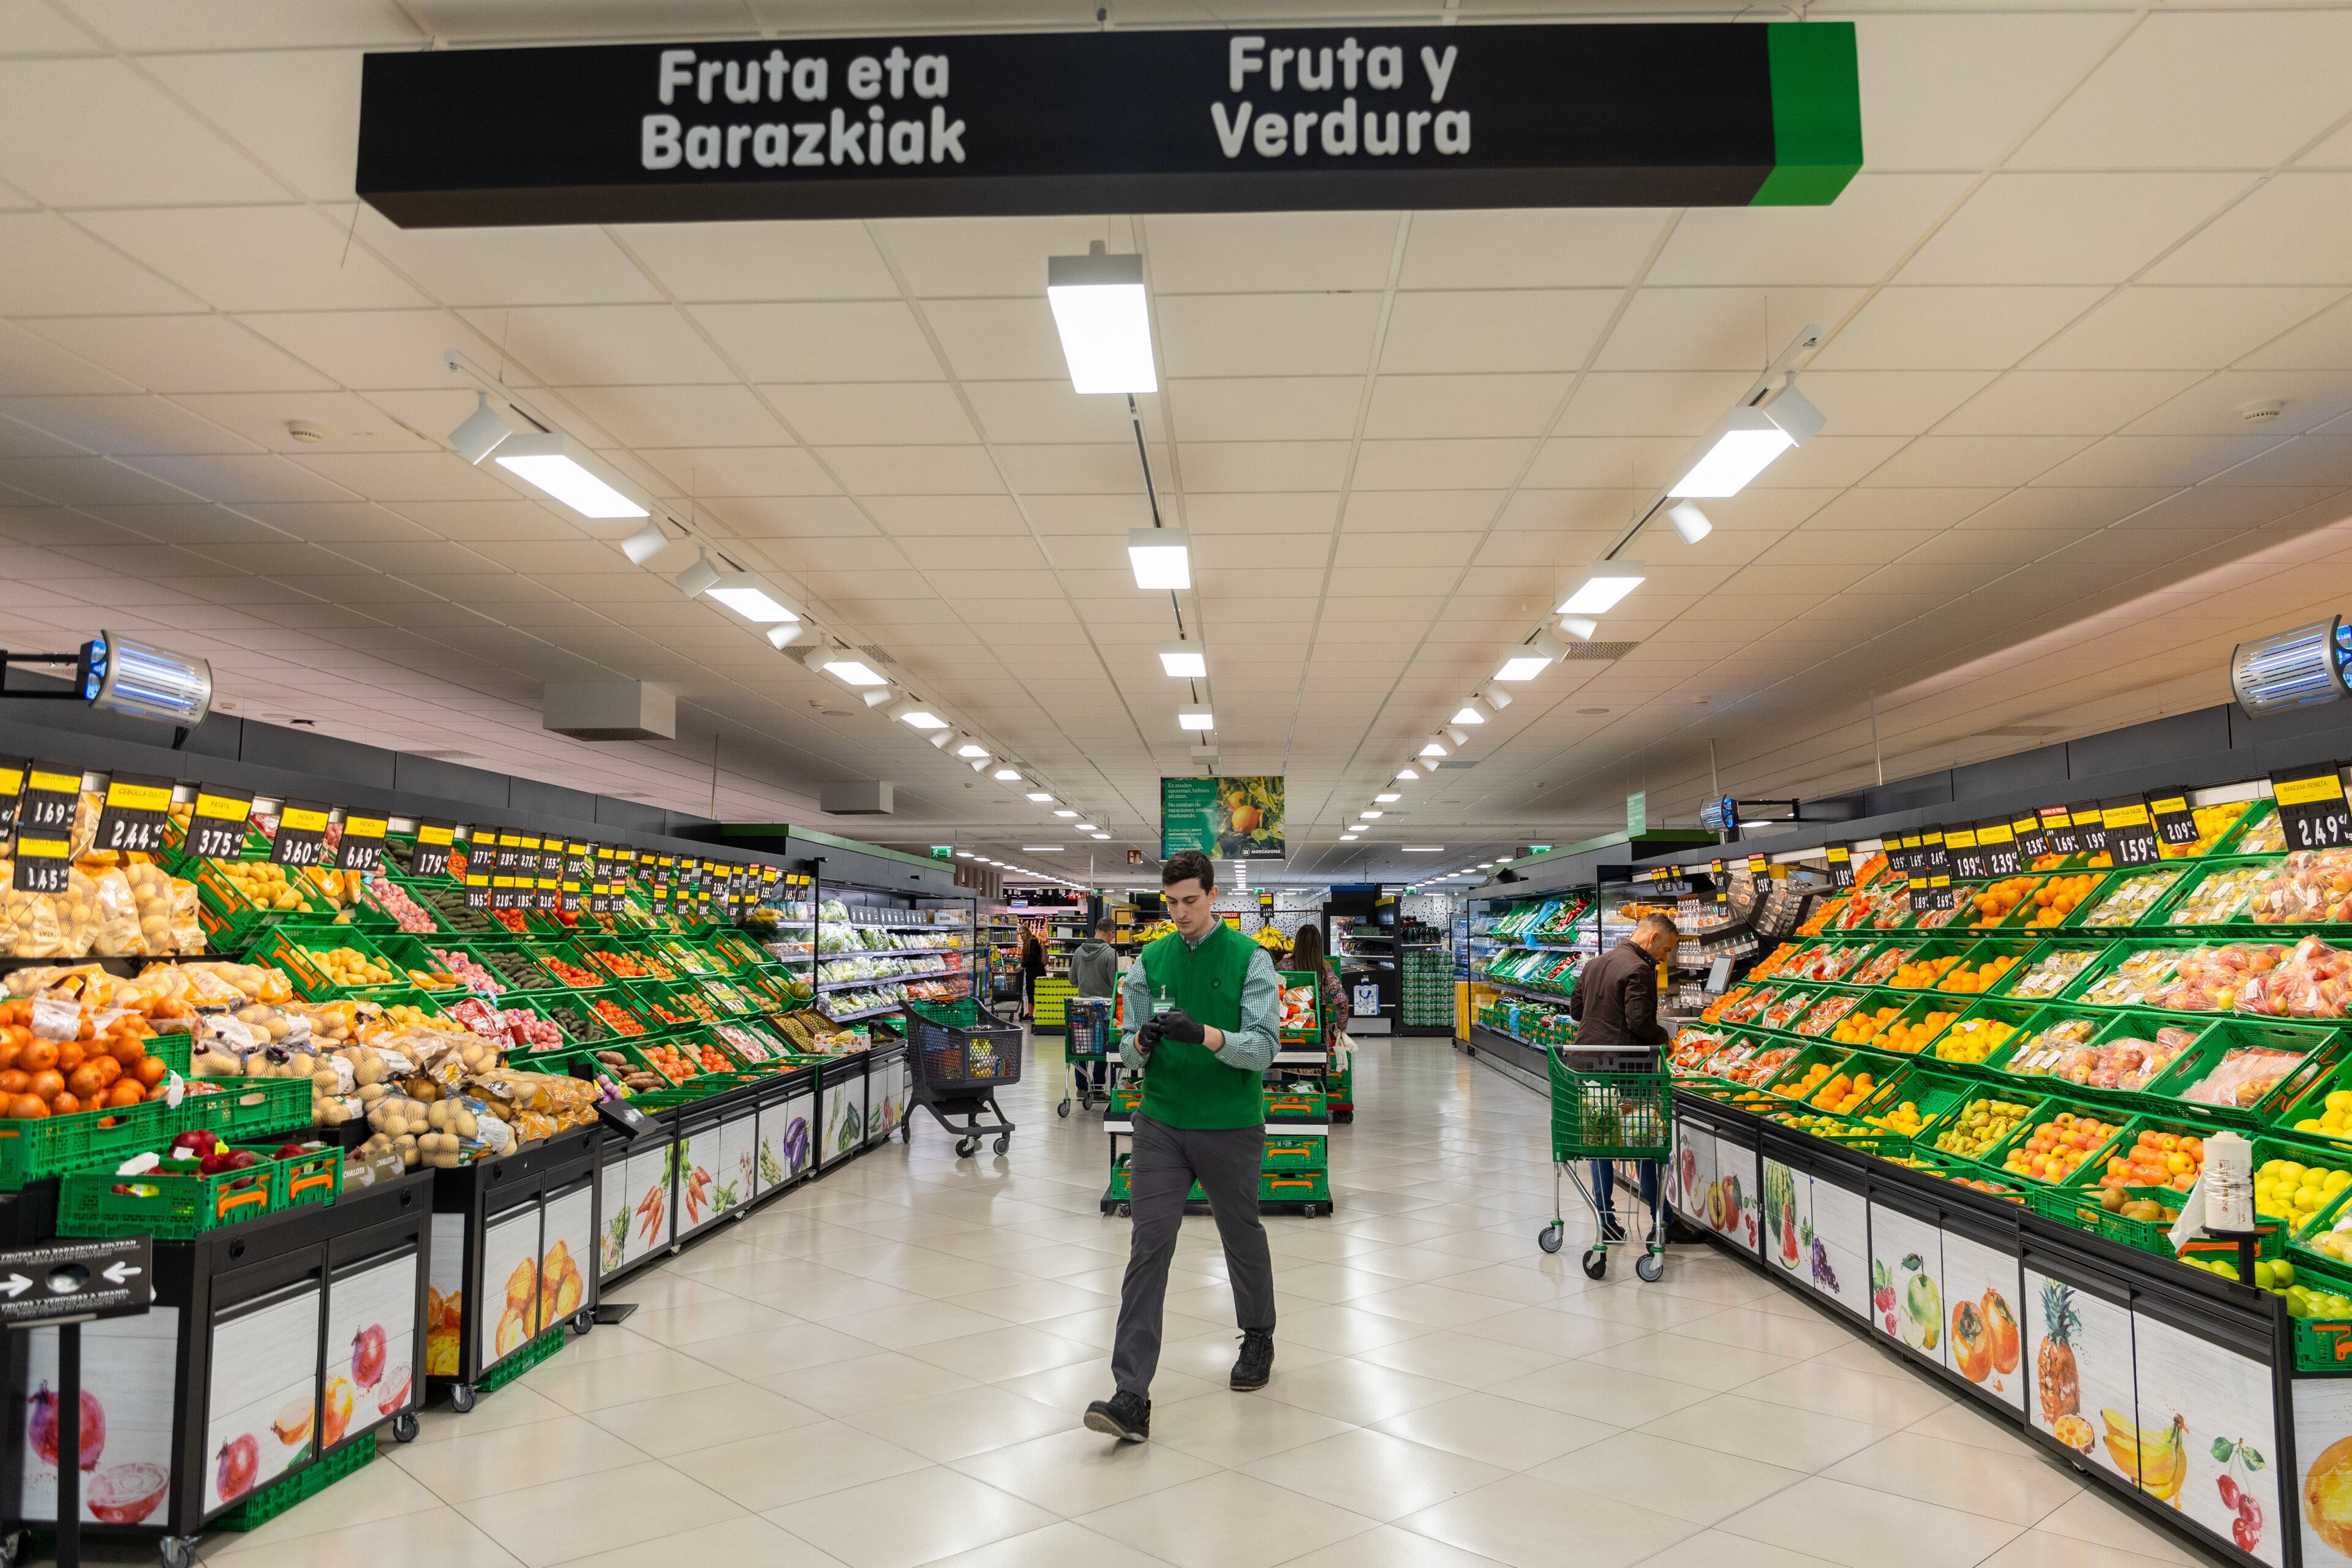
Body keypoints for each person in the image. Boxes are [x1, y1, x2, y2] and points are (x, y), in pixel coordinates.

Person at [1085, 850, 1280, 1444]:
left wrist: (1207, 1035)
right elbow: (1127, 1048)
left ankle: (1258, 1335)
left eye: (1190, 901)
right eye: (1171, 902)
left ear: (1213, 896)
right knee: (1148, 1246)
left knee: (1240, 1233)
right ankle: (1131, 1394)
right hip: (1162, 1121)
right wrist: (1141, 1042)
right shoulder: (1150, 959)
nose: (1180, 913)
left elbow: (1264, 1047)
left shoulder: (1251, 958)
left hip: (1230, 1121)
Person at [1566, 911, 1679, 1242]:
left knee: (1599, 1138)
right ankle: (1663, 1220)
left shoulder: (1596, 963)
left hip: (1587, 1066)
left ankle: (1605, 1218)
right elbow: (1639, 1022)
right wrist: (1664, 1038)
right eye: (1667, 949)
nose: (1665, 957)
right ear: (1653, 938)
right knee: (1644, 1137)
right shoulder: (1639, 969)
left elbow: (1576, 1011)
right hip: (1625, 1070)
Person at [1067, 917, 1120, 1094]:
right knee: (1102, 1048)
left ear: (1096, 929)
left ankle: (1081, 1087)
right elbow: (1115, 984)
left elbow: (1072, 979)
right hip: (1104, 1009)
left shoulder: (1078, 952)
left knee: (1081, 1045)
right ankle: (1097, 1089)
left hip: (1082, 1008)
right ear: (1111, 932)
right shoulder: (1111, 954)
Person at [1286, 922, 1350, 1048]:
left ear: (1297, 943)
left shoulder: (1284, 966)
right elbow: (1342, 1000)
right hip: (1316, 1030)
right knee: (1317, 1059)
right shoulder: (1325, 969)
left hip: (1288, 1030)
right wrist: (1340, 1027)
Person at [1018, 927, 1047, 1022]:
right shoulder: (1026, 943)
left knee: (1038, 993)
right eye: (1020, 934)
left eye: (1023, 933)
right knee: (1030, 992)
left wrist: (1022, 965)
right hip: (1030, 972)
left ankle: (1040, 1014)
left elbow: (1034, 959)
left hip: (1037, 972)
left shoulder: (1033, 942)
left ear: (1028, 932)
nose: (1022, 935)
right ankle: (1030, 1014)